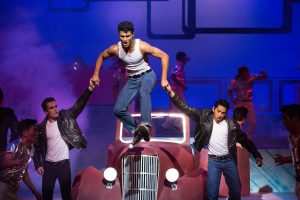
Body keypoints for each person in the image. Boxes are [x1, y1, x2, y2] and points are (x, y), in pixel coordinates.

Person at [164, 84, 263, 200]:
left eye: (223, 113)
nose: (220, 115)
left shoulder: (231, 125)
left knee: (236, 192)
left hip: (229, 160)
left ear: (226, 114)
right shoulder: (204, 117)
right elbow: (186, 108)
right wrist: (171, 93)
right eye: (218, 111)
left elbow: (245, 141)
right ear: (213, 109)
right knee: (211, 194)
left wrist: (256, 154)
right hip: (214, 161)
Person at [90, 21, 169, 148]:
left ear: (133, 34)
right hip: (132, 79)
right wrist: (95, 74)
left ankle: (145, 125)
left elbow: (164, 56)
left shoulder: (142, 46)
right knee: (118, 110)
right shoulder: (115, 49)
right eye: (122, 36)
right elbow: (101, 56)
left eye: (127, 36)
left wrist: (164, 78)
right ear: (119, 35)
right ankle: (137, 129)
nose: (125, 39)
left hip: (147, 75)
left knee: (144, 92)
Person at [33, 81, 95, 200]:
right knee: (47, 196)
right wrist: (38, 165)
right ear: (46, 112)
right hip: (48, 167)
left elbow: (79, 104)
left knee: (67, 196)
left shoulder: (66, 116)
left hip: (64, 165)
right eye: (51, 108)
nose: (56, 109)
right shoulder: (41, 128)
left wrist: (90, 88)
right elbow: (37, 149)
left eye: (56, 106)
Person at [0, 119, 42, 200]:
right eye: (35, 130)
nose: (38, 133)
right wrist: (18, 162)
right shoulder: (14, 144)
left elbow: (24, 173)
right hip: (2, 185)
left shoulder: (31, 149)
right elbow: (4, 162)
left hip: (12, 188)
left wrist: (35, 192)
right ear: (25, 133)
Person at [228, 66, 268, 138]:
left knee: (252, 121)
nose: (245, 75)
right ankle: (240, 137)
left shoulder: (251, 77)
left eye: (246, 73)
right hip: (239, 102)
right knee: (238, 121)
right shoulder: (235, 80)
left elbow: (264, 77)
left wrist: (263, 73)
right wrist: (233, 99)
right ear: (240, 74)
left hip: (249, 102)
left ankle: (248, 136)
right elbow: (230, 90)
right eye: (243, 73)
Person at [274, 104, 300, 199]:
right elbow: (297, 157)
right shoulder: (292, 137)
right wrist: (285, 159)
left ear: (295, 119)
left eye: (285, 119)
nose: (283, 122)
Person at [162, 51, 190, 130]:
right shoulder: (178, 66)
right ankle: (171, 124)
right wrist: (182, 84)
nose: (185, 60)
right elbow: (173, 76)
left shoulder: (178, 64)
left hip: (176, 88)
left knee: (176, 107)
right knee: (180, 106)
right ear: (181, 58)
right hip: (177, 88)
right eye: (184, 58)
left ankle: (172, 124)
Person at [0, 88, 18, 153]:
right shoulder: (9, 113)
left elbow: (16, 134)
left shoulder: (8, 113)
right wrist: (9, 151)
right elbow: (16, 134)